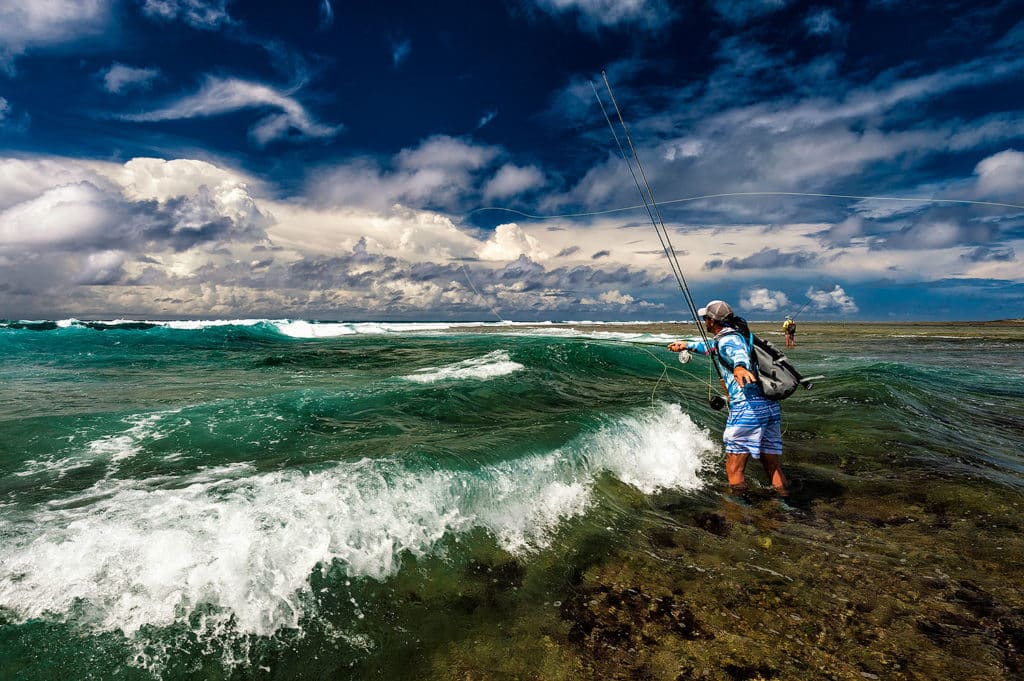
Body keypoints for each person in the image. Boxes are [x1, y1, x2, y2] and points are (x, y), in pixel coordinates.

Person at [668, 300, 788, 494]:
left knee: (734, 468)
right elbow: (711, 348)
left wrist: (740, 366)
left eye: (705, 318)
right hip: (769, 406)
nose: (704, 321)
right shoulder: (738, 335)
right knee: (773, 466)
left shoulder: (729, 340)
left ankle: (738, 513)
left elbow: (736, 353)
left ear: (712, 321)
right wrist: (685, 345)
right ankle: (785, 505)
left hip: (748, 408)